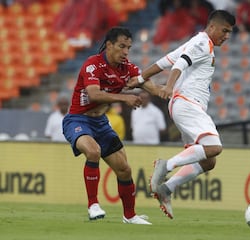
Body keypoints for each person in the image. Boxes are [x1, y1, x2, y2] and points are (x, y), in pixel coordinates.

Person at [128, 10, 235, 219]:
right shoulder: (202, 43)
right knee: (214, 147)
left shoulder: (196, 42)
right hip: (188, 104)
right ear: (212, 27)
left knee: (208, 161)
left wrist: (141, 79)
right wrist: (168, 87)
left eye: (230, 32)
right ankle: (165, 166)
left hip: (184, 106)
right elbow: (178, 64)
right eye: (225, 30)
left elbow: (164, 61)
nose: (227, 36)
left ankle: (167, 189)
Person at [62, 27, 152, 224]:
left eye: (128, 47)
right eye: (122, 46)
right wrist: (124, 98)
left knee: (124, 169)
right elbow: (94, 94)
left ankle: (130, 216)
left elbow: (145, 81)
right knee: (93, 151)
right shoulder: (92, 65)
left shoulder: (126, 67)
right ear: (109, 45)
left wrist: (165, 90)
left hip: (101, 123)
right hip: (78, 119)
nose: (126, 52)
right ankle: (93, 205)